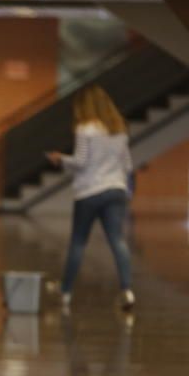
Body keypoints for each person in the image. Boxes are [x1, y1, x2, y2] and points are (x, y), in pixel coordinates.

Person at [46, 84, 135, 310]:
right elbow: (127, 164)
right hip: (116, 189)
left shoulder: (85, 129)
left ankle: (66, 291)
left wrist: (60, 158)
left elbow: (81, 162)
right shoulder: (119, 128)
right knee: (117, 240)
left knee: (78, 242)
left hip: (89, 191)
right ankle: (127, 291)